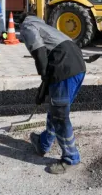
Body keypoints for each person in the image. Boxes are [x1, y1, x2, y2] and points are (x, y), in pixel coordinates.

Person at [18, 13, 87, 175]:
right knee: (57, 109)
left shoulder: (28, 26)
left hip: (63, 68)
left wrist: (44, 80)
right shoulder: (46, 27)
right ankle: (43, 143)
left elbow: (40, 55)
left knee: (60, 116)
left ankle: (71, 158)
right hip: (78, 65)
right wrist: (44, 87)